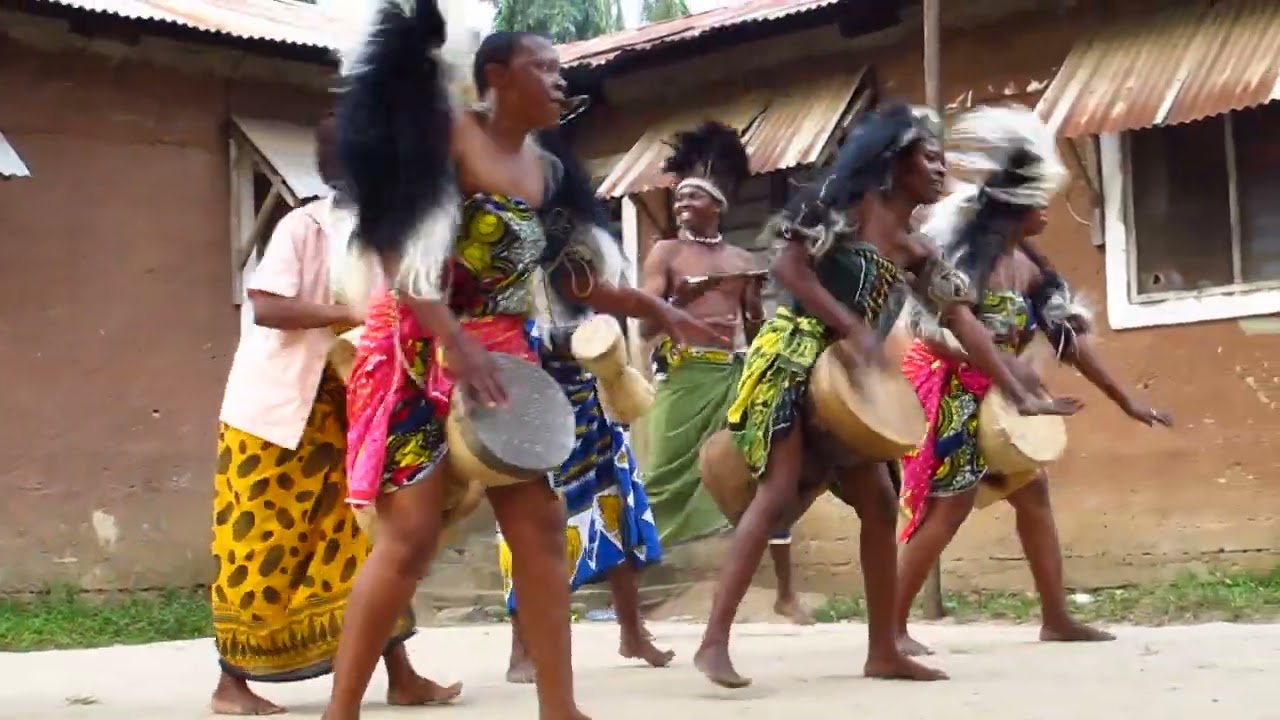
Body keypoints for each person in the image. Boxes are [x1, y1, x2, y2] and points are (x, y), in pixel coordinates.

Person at [326, 4, 722, 719]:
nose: (559, 81)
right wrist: (452, 339)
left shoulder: (548, 171)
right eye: (544, 67)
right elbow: (393, 242)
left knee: (540, 524)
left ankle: (559, 707)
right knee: (409, 536)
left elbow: (576, 280)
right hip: (417, 347)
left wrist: (655, 309)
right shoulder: (446, 136)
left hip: (503, 355)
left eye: (561, 71)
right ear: (496, 77)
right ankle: (341, 711)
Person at [692, 102, 1084, 689]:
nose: (938, 168)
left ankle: (883, 650)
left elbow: (964, 322)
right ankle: (713, 644)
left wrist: (1017, 390)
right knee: (775, 494)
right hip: (796, 354)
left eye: (941, 159)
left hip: (855, 382)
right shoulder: (842, 209)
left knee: (878, 505)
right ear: (893, 159)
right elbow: (792, 269)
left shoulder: (917, 250)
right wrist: (852, 328)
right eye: (927, 156)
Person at [894, 106, 1173, 656]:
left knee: (1034, 494)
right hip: (954, 393)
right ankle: (893, 628)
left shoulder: (1033, 269)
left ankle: (1055, 617)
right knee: (951, 504)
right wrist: (1004, 365)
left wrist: (1127, 401)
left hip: (1005, 399)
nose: (1047, 211)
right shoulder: (962, 262)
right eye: (1038, 202)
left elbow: (1073, 342)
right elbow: (929, 336)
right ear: (1013, 207)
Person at [209, 113, 460, 716]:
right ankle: (231, 684)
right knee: (257, 542)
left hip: (353, 407)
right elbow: (267, 308)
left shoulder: (387, 234)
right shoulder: (304, 226)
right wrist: (343, 314)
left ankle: (400, 674)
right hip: (275, 410)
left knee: (366, 544)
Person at [638, 121, 813, 624]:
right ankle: (625, 587)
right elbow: (646, 319)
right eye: (678, 200)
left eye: (693, 199)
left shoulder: (740, 258)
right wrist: (683, 297)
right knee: (663, 481)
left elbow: (754, 328)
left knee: (767, 475)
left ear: (717, 206)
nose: (681, 206)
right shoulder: (665, 253)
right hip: (683, 374)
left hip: (735, 376)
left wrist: (757, 307)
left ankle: (785, 592)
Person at [500, 244, 671, 685]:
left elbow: (607, 336)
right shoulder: (515, 279)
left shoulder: (584, 280)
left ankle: (633, 632)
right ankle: (522, 649)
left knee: (617, 517)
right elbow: (520, 344)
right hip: (536, 416)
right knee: (525, 534)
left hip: (592, 410)